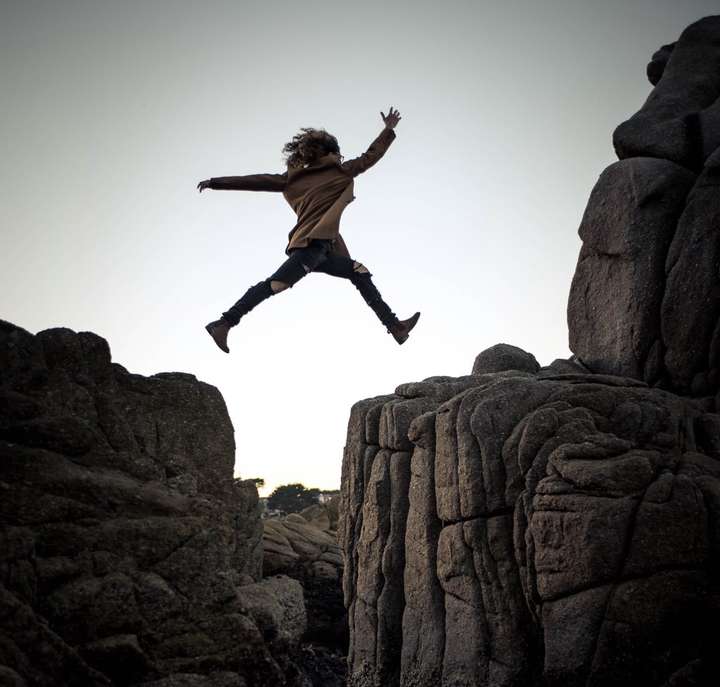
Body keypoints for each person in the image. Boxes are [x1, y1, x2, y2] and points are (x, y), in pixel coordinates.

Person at [197, 106, 420, 353]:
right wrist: (388, 129)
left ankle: (395, 327)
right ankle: (225, 322)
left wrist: (216, 183)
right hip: (310, 248)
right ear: (332, 152)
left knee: (359, 272)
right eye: (338, 152)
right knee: (276, 284)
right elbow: (371, 155)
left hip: (324, 250)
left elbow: (254, 180)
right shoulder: (340, 170)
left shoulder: (291, 179)